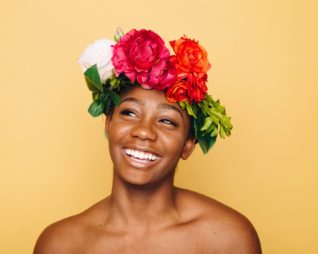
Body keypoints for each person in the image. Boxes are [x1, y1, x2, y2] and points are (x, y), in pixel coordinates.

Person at [34, 28, 261, 254]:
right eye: (130, 113)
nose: (144, 132)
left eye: (166, 121)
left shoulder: (228, 239)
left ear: (188, 145)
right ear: (108, 123)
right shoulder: (60, 245)